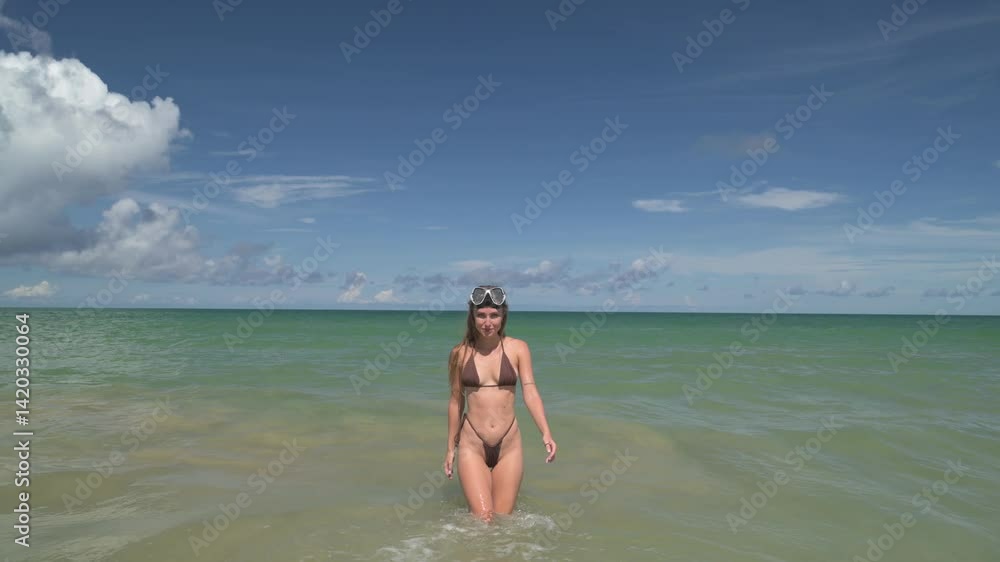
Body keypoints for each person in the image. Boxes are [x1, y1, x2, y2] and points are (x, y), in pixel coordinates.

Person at [443, 285, 557, 523]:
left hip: (509, 445)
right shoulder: (459, 353)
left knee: (504, 521)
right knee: (483, 519)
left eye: (494, 315)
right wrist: (450, 448)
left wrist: (545, 432)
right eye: (481, 315)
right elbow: (456, 401)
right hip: (472, 444)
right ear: (472, 316)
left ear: (503, 315)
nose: (488, 322)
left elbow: (530, 391)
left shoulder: (518, 348)